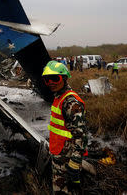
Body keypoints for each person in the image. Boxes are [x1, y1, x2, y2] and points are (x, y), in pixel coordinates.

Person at [42, 61, 88, 195]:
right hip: (59, 156)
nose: (51, 82)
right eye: (47, 79)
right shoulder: (59, 97)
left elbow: (81, 135)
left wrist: (75, 162)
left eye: (55, 78)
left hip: (67, 160)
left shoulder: (70, 102)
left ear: (65, 78)